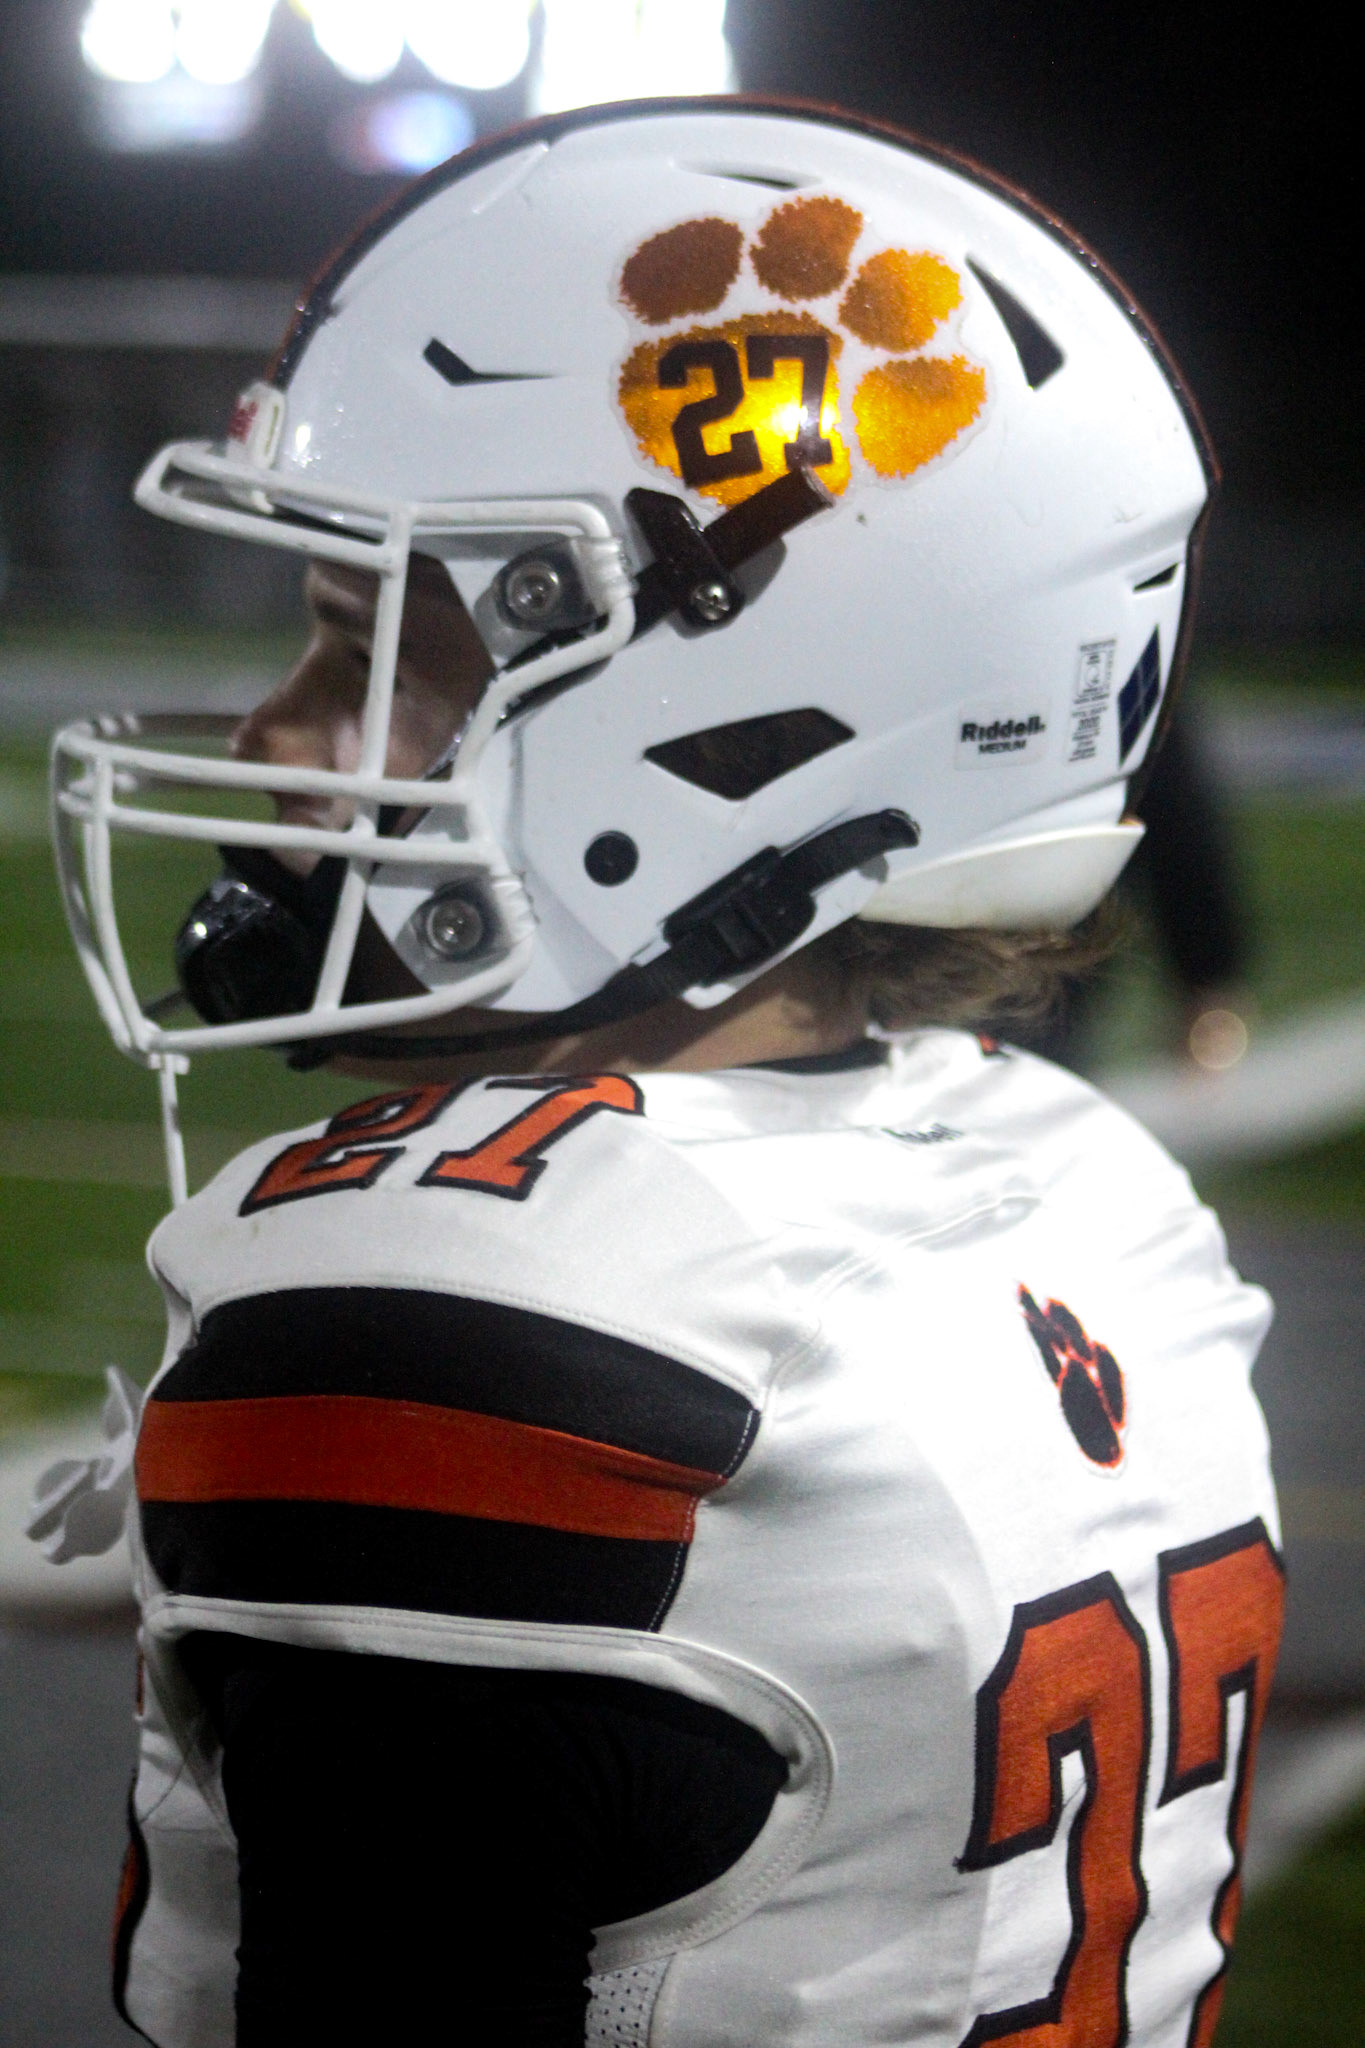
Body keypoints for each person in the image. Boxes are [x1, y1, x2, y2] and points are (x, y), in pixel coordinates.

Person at [41, 99, 1282, 2048]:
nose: (277, 738)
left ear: (721, 723)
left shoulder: (465, 1313)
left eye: (365, 653)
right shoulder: (1087, 1192)